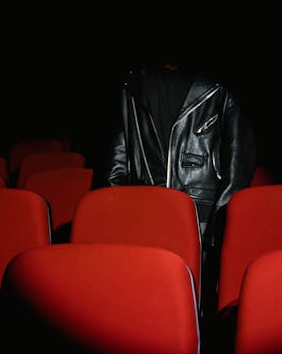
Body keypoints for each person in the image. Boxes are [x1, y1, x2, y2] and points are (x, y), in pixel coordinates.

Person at [104, 55, 256, 320]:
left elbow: (238, 162)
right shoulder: (132, 86)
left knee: (185, 307)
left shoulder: (218, 88)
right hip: (150, 214)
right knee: (147, 306)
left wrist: (218, 228)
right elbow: (117, 164)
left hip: (198, 217)